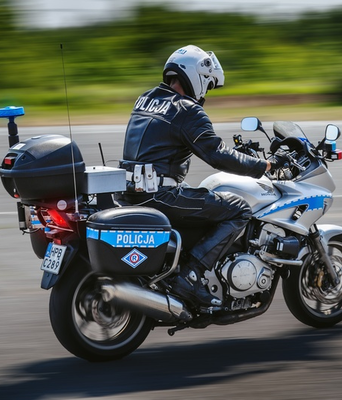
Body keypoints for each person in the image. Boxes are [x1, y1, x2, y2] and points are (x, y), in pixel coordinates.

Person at [119, 45, 282, 307]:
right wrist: (263, 166)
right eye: (207, 84)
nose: (205, 92)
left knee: (203, 197)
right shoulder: (187, 110)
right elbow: (217, 155)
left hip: (129, 191)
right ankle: (190, 276)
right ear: (196, 77)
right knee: (240, 208)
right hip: (161, 196)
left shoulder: (146, 98)